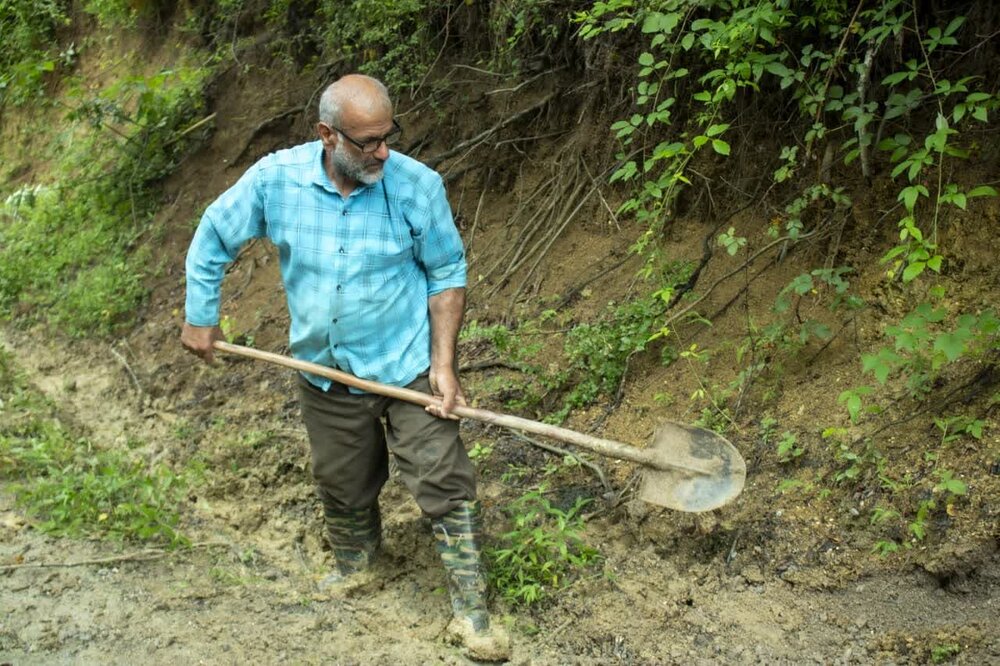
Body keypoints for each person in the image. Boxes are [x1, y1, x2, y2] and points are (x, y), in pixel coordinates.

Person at [181, 74, 509, 661]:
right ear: (327, 135)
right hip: (325, 368)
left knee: (441, 475)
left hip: (405, 365)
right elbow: (212, 235)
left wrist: (444, 365)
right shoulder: (275, 181)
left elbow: (447, 272)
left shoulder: (415, 187)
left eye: (388, 136)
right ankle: (358, 563)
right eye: (367, 142)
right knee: (342, 477)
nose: (382, 151)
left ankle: (472, 609)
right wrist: (200, 315)